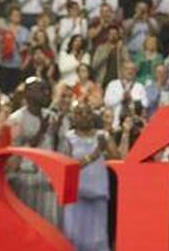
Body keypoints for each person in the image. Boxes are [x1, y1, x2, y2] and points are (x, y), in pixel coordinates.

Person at [6, 78, 61, 227]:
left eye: (46, 90)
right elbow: (15, 151)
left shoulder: (52, 116)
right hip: (25, 177)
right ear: (28, 93)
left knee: (49, 224)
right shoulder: (16, 118)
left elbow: (56, 148)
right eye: (40, 90)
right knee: (27, 224)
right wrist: (41, 131)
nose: (46, 93)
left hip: (47, 176)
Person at [58, 104, 109, 251]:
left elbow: (118, 157)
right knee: (74, 239)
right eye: (79, 113)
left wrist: (124, 133)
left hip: (98, 194)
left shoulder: (102, 135)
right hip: (76, 196)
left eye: (88, 112)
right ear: (73, 117)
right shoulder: (68, 137)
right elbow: (67, 167)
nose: (84, 116)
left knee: (98, 240)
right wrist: (94, 155)